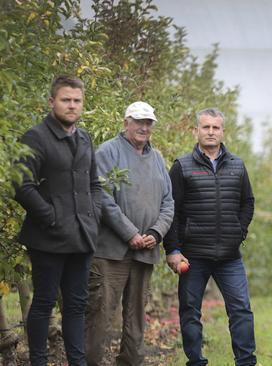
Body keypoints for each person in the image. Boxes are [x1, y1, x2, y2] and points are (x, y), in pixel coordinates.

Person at [14, 75, 102, 366]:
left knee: (76, 306)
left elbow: (94, 185)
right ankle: (38, 362)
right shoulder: (35, 137)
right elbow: (21, 185)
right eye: (66, 99)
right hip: (48, 238)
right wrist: (50, 216)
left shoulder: (85, 137)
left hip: (82, 237)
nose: (72, 105)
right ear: (52, 101)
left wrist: (94, 215)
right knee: (43, 303)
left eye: (77, 100)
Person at [163, 108, 256, 366]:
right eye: (206, 127)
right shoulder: (182, 166)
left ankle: (246, 361)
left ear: (223, 131)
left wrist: (239, 232)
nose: (211, 132)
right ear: (196, 131)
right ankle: (196, 361)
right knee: (190, 311)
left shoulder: (237, 165)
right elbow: (172, 210)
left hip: (229, 256)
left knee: (241, 310)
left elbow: (247, 202)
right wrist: (173, 249)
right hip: (193, 256)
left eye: (216, 127)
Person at [85, 101, 174, 365]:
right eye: (139, 121)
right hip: (111, 252)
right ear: (126, 122)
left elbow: (169, 201)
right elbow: (101, 196)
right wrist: (130, 233)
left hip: (146, 250)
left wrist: (156, 233)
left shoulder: (157, 158)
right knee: (100, 312)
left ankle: (130, 362)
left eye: (148, 123)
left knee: (136, 316)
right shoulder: (108, 152)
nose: (144, 127)